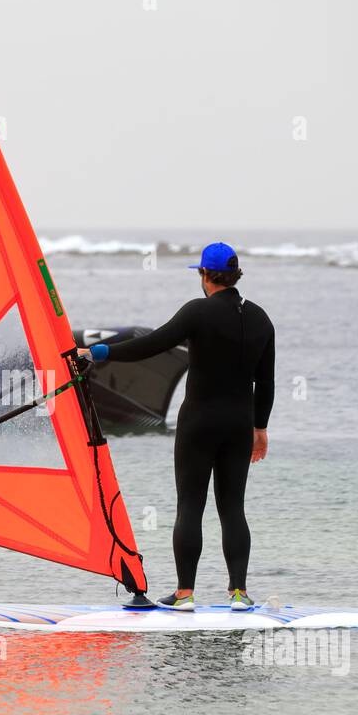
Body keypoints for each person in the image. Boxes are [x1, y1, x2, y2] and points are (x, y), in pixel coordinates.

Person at [78, 242, 274, 611]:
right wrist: (260, 428)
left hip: (199, 421)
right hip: (239, 423)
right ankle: (239, 594)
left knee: (190, 506)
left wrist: (99, 352)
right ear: (235, 276)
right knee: (233, 507)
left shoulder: (197, 312)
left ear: (205, 275)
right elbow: (266, 382)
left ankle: (185, 594)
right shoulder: (261, 319)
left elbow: (150, 345)